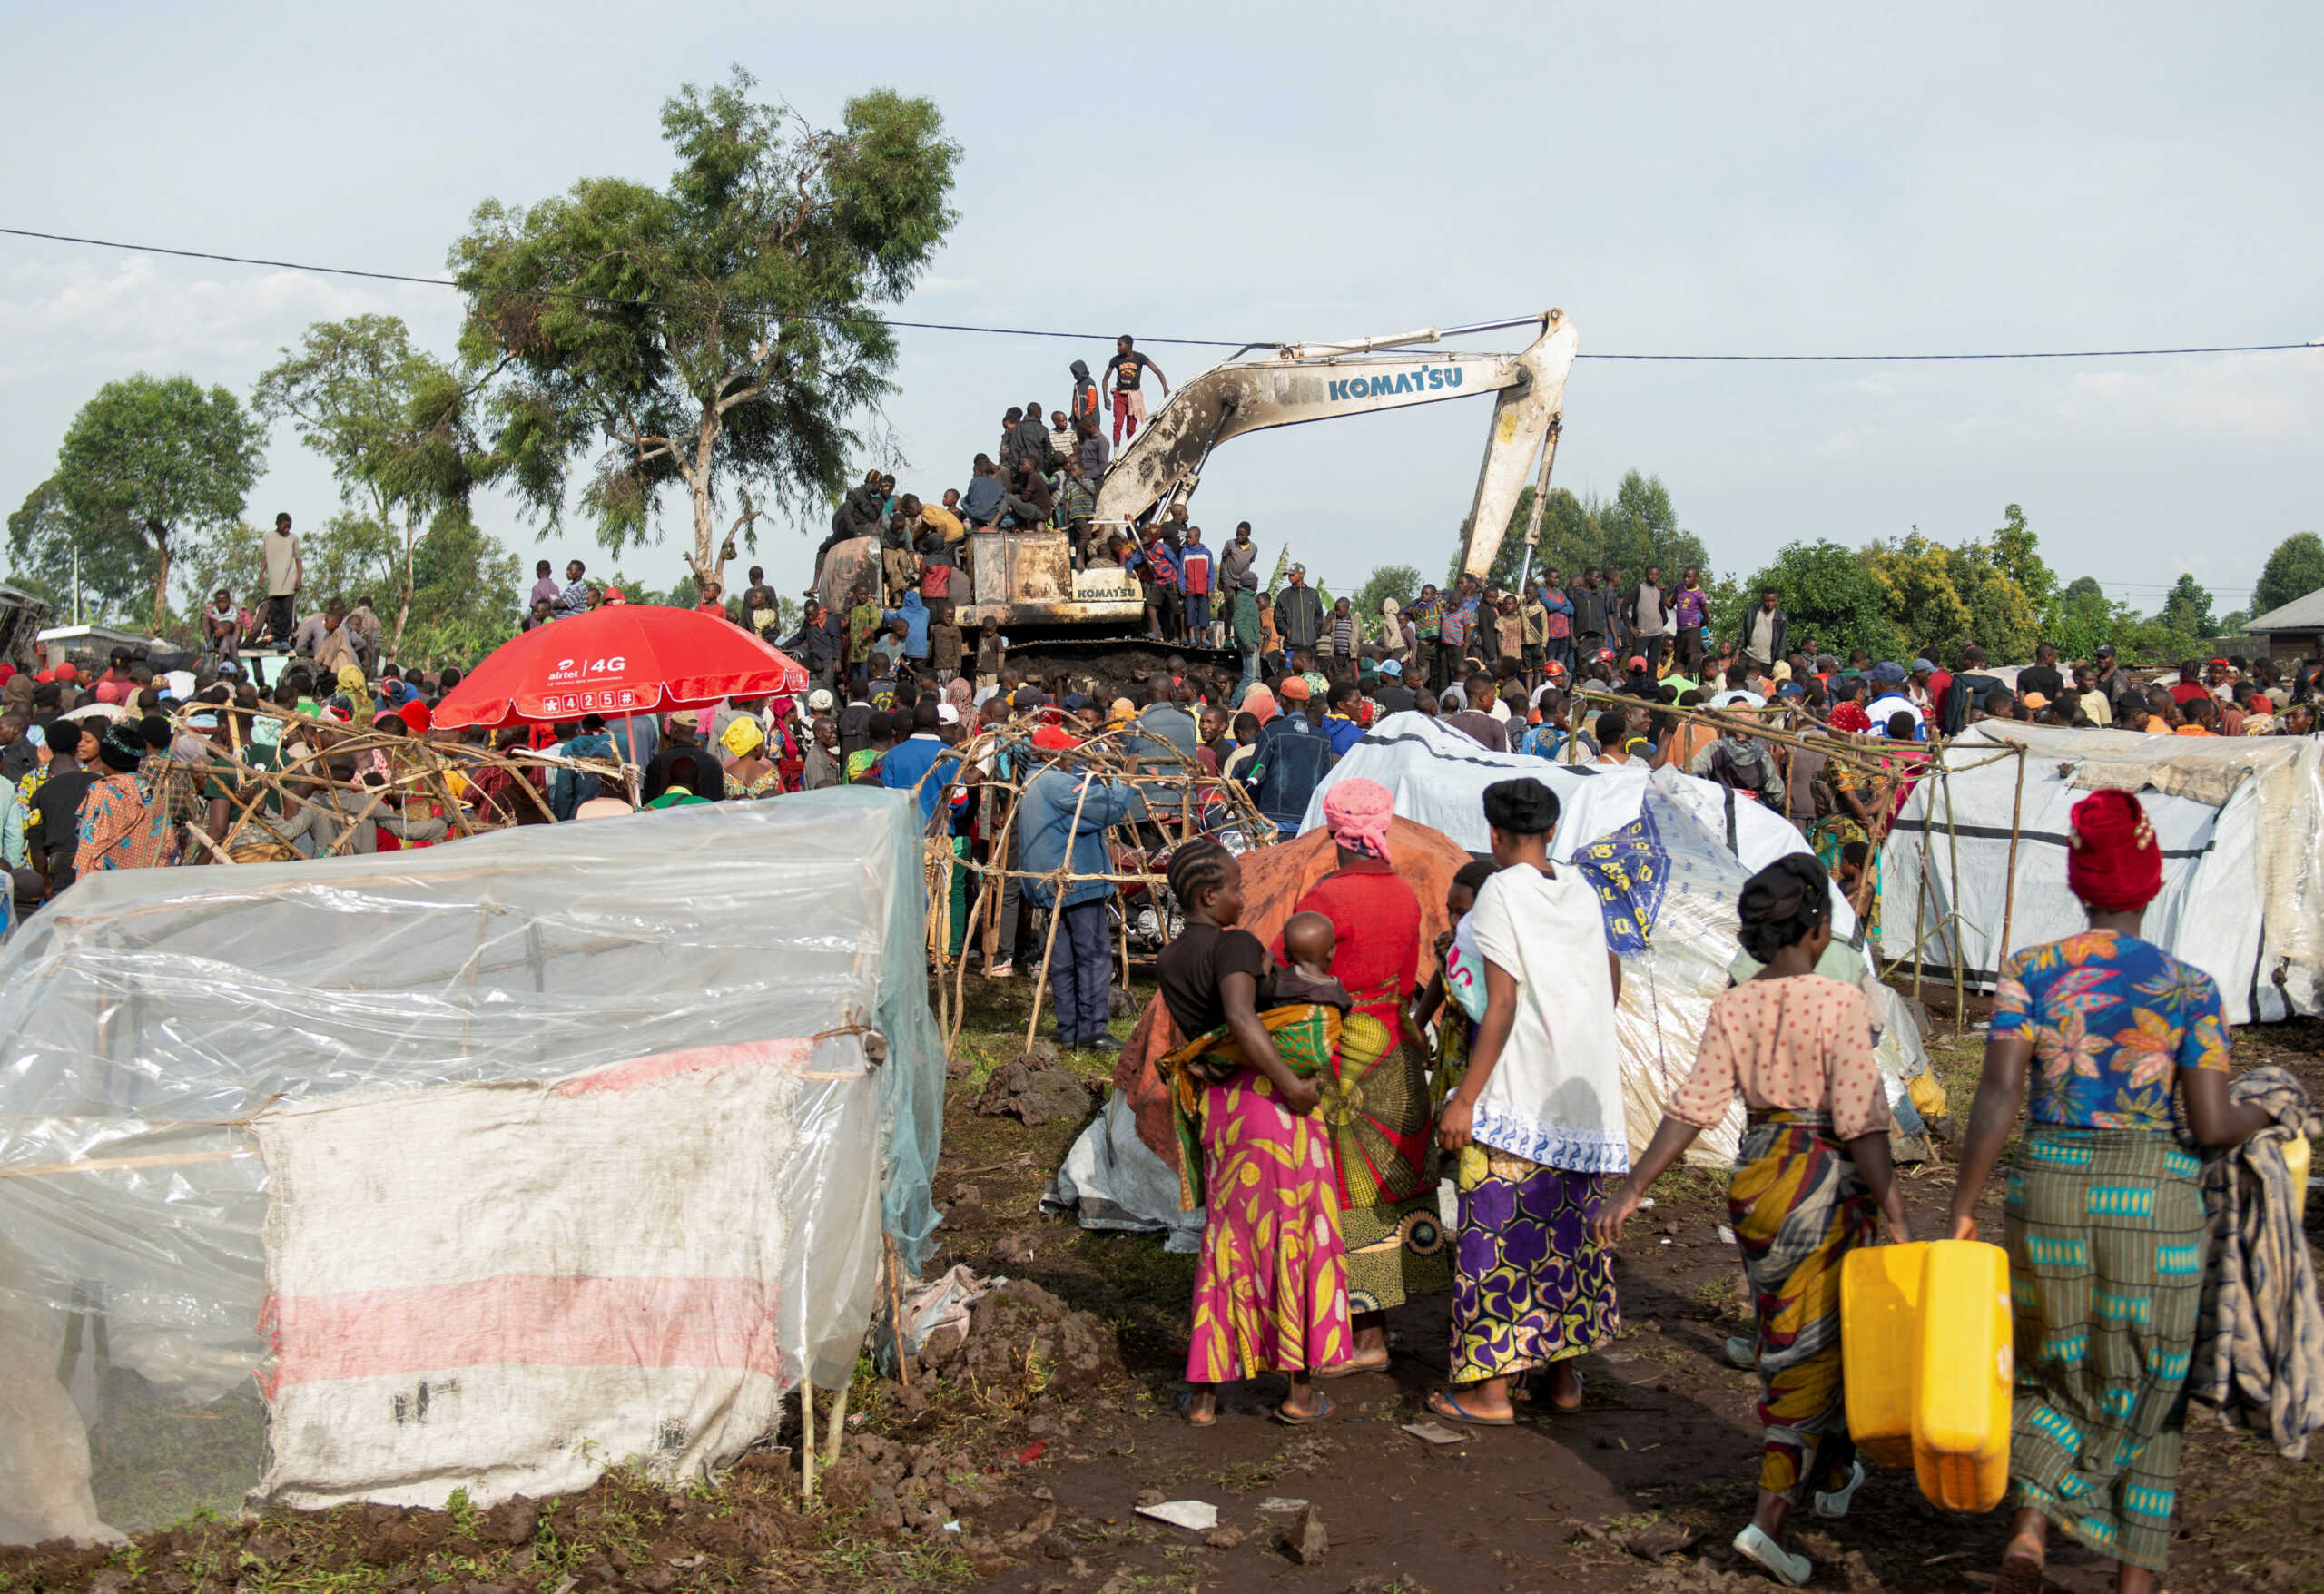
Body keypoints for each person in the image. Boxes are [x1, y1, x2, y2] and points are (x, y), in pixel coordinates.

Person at [1944, 790, 2264, 1594]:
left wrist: (1962, 1206)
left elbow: (1996, 1094)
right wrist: (2277, 1106)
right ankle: (2132, 1580)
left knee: (2053, 1366)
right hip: (2153, 1200)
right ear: (2153, 884)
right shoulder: (2191, 989)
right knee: (2153, 1386)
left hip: (2046, 1187)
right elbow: (2214, 1121)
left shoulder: (2031, 971)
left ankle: (2029, 1525)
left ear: (2077, 879)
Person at [1595, 853, 1909, 1587]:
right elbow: (1862, 1121)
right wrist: (1894, 1208)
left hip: (1762, 1176)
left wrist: (1635, 1186)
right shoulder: (1839, 1003)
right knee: (1809, 1350)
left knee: (1801, 1329)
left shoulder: (1732, 1004)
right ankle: (1769, 1521)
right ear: (1821, 927)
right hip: (1823, 1180)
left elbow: (1694, 1105)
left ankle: (1834, 1476)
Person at [1428, 778, 1626, 1428]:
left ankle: (1490, 1395)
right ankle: (1563, 1380)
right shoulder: (1578, 889)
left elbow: (1502, 1003)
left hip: (1516, 1101)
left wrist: (1467, 1098)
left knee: (1501, 1241)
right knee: (1566, 1237)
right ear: (1552, 828)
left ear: (1493, 834)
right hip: (1580, 1100)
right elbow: (1608, 973)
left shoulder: (1498, 895)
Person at [1156, 841, 1347, 1427]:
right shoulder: (1236, 943)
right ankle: (1298, 1391)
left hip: (1221, 1113)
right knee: (1296, 1233)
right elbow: (1240, 1018)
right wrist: (1291, 1084)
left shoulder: (1168, 959)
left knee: (1229, 1242)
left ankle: (1206, 1399)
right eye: (1237, 888)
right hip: (1270, 1109)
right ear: (1209, 896)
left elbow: (1205, 1039)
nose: (1244, 897)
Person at [1285, 779, 1444, 1375]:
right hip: (1394, 1051)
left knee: (1343, 1192)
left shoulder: (1326, 898)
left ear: (1334, 833)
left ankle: (1360, 1334)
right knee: (1382, 1191)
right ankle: (1376, 1325)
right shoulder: (1405, 894)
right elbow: (1406, 985)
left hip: (1344, 1054)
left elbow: (1292, 972)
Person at [1019, 754, 1149, 1050]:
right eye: (1067, 756)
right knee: (1092, 958)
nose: (1070, 763)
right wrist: (1125, 779)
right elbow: (1107, 810)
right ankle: (1092, 1032)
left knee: (1063, 959)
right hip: (1076, 881)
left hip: (1054, 883)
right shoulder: (1058, 783)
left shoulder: (1034, 781)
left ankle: (1070, 1030)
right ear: (1056, 757)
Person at [1240, 679, 1334, 837]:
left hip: (1272, 821)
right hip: (1307, 823)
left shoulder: (1274, 731)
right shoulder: (1323, 738)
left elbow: (1255, 773)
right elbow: (1326, 783)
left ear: (1282, 700)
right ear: (1308, 701)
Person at [1105, 334, 1168, 443]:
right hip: (1120, 395)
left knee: (1131, 427)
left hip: (1134, 396)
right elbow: (1105, 379)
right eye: (1117, 345)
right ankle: (1116, 452)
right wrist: (1106, 397)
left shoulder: (1139, 358)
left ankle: (1130, 449)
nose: (1118, 348)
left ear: (1129, 346)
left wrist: (1165, 389)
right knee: (1118, 424)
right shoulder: (1115, 360)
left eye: (1120, 345)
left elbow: (1158, 372)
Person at [256, 513, 303, 647]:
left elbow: (298, 559)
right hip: (274, 581)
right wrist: (261, 574)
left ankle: (285, 639)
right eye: (285, 526)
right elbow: (266, 556)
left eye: (289, 527)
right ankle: (277, 639)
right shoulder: (268, 537)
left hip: (289, 580)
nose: (287, 529)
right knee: (276, 612)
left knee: (287, 612)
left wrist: (299, 578)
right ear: (277, 523)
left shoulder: (293, 538)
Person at [1273, 566, 1325, 670]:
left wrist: (1314, 632)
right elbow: (1277, 617)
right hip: (1291, 646)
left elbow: (1319, 616)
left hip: (1310, 646)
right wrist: (1287, 631)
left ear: (1301, 575)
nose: (1290, 577)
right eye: (1288, 575)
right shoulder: (1284, 594)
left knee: (1309, 675)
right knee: (1290, 675)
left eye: (1292, 574)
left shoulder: (1313, 594)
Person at [1444, 674, 1509, 752]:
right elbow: (1502, 759)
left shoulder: (1448, 724)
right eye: (1493, 695)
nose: (1495, 699)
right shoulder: (1495, 726)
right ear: (1483, 697)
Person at [1737, 587, 1788, 672]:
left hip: (1766, 662)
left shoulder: (1782, 618)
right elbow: (1743, 632)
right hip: (1748, 655)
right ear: (1762, 599)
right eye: (1767, 601)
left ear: (1776, 600)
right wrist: (1737, 652)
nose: (1770, 604)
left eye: (1773, 600)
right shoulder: (1752, 611)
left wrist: (1779, 664)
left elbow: (1782, 644)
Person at [1179, 527, 1215, 644]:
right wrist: (1181, 586)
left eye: (1190, 537)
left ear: (1198, 537)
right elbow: (1181, 571)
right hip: (1189, 589)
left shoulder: (1207, 553)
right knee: (1190, 611)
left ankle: (1203, 638)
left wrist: (1210, 588)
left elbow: (1211, 572)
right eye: (1187, 537)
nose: (1188, 540)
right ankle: (1193, 637)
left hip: (1203, 589)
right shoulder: (1184, 552)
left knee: (1204, 612)